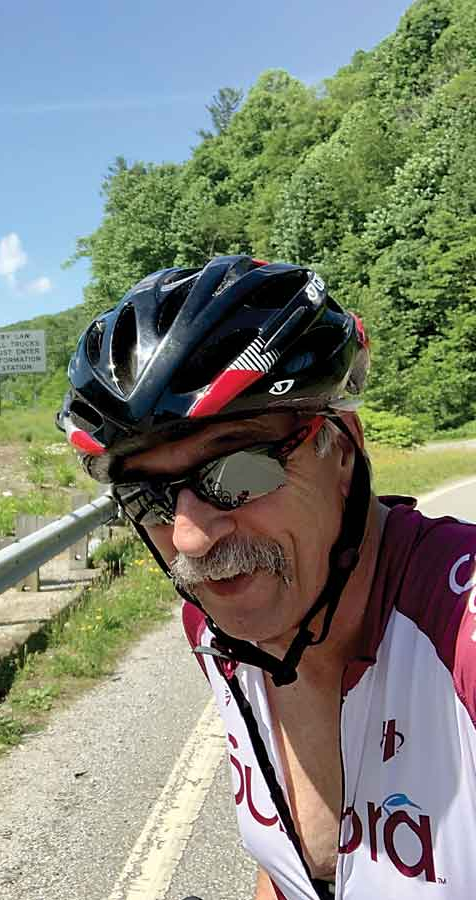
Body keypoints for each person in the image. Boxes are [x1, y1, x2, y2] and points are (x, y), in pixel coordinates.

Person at [57, 255, 476, 899]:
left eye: (238, 472)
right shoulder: (215, 627)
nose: (191, 537)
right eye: (151, 500)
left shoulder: (461, 631)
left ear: (342, 449)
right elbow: (288, 868)